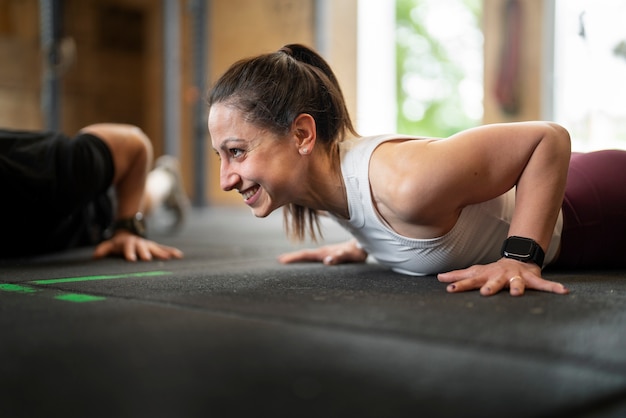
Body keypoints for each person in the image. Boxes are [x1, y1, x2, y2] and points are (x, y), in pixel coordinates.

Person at [207, 43, 626, 297]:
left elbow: (548, 138)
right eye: (220, 156)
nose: (226, 178)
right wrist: (366, 244)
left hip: (597, 206)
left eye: (237, 152)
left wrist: (520, 259)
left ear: (301, 135)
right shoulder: (314, 182)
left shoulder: (408, 184)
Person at [1, 123, 187, 261]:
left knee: (141, 200)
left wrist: (126, 228)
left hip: (96, 205)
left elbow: (133, 144)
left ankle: (165, 177)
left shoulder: (40, 170)